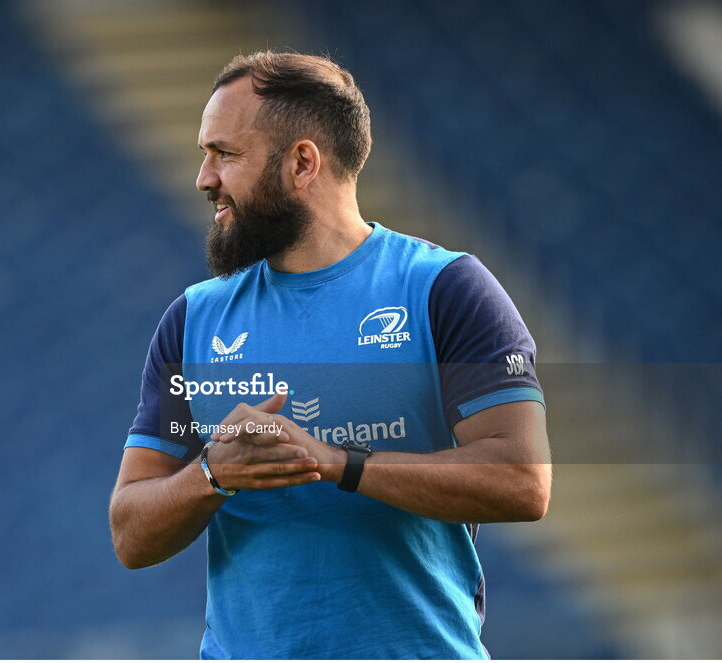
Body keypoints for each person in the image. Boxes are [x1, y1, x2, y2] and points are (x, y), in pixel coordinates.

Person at [110, 51, 551, 659]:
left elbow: (523, 481)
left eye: (225, 154)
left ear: (302, 162)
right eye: (204, 156)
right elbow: (130, 531)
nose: (204, 178)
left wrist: (335, 462)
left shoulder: (443, 288)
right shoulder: (194, 318)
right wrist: (213, 474)